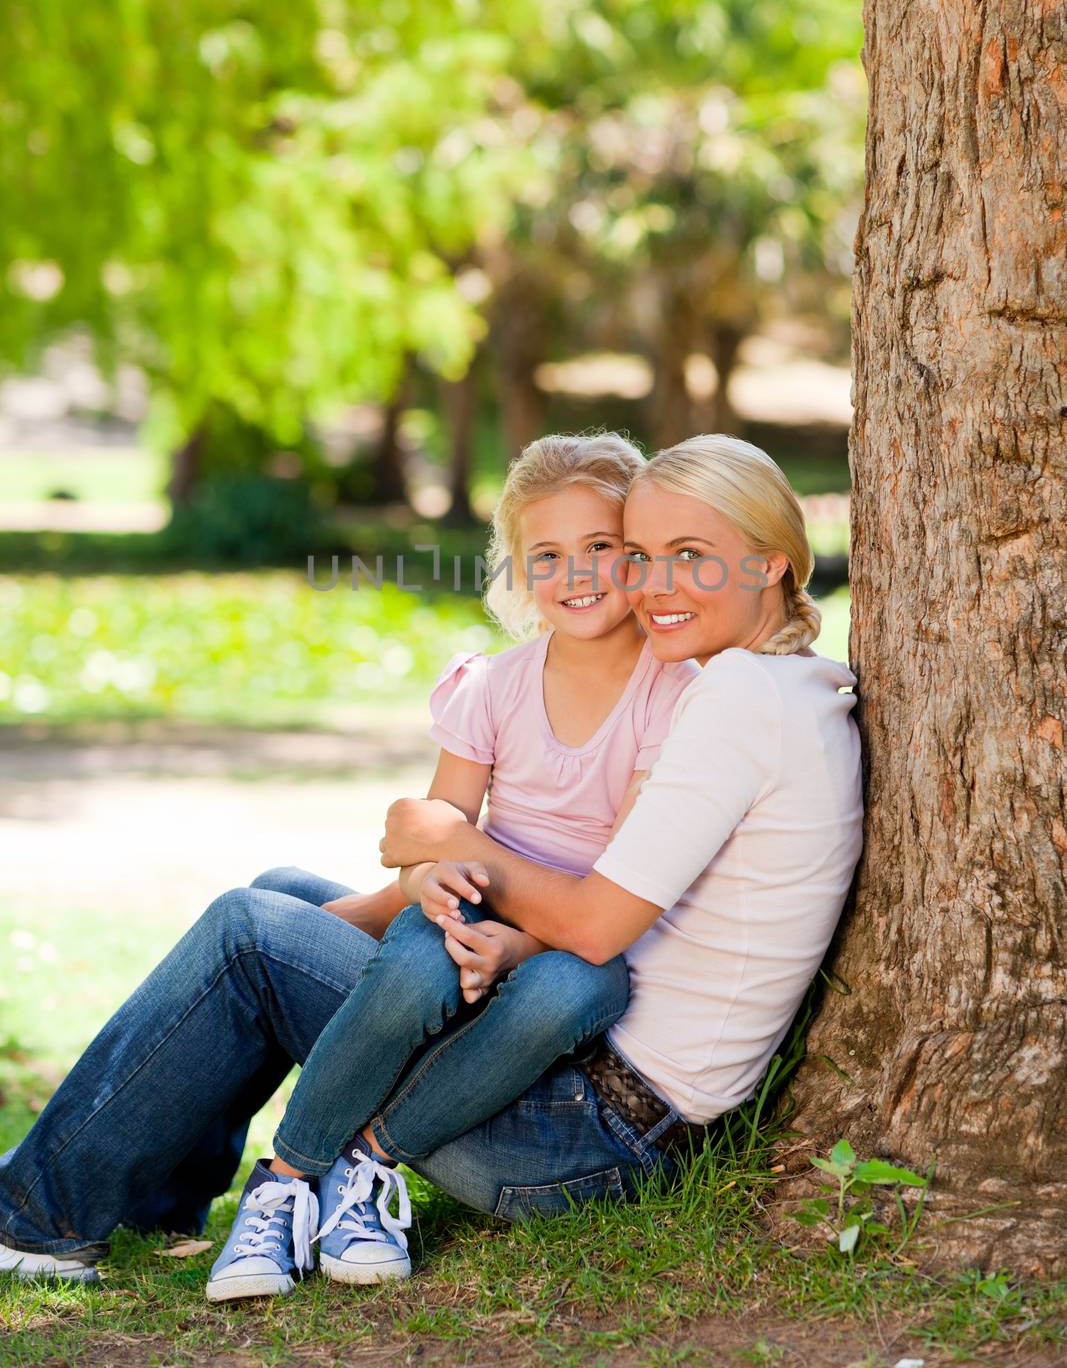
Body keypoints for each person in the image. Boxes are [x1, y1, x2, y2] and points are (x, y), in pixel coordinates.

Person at [0, 434, 863, 1310]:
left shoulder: (726, 700)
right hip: (589, 1080)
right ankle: (153, 1198)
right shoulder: (786, 686)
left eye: (690, 558)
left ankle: (32, 1220)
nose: (654, 584)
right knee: (283, 898)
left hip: (585, 1128)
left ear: (772, 565)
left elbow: (595, 925)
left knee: (246, 932)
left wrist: (450, 841)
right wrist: (405, 887)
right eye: (645, 555)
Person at [206, 431, 699, 1297]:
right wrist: (429, 885)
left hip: (578, 935)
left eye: (602, 548)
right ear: (517, 568)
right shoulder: (491, 686)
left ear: (639, 554)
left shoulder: (670, 694)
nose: (578, 573)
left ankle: (365, 1166)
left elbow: (616, 895)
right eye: (548, 554)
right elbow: (442, 830)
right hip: (470, 906)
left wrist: (517, 947)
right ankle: (283, 1183)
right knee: (415, 956)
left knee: (582, 985)